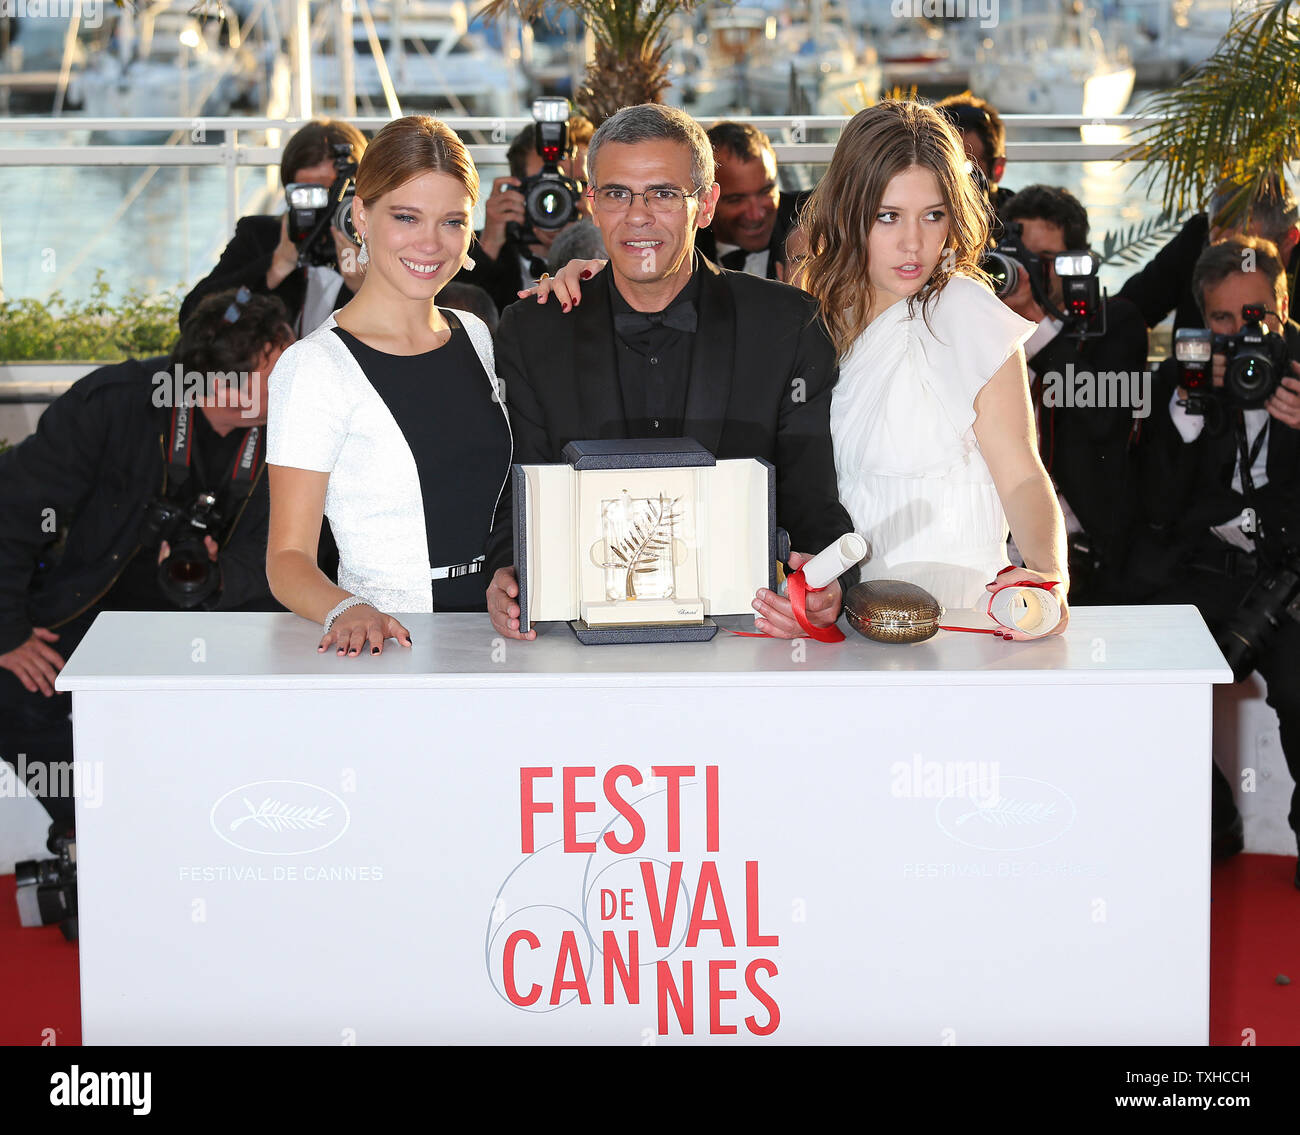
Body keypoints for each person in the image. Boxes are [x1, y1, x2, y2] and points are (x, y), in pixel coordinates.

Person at [485, 103, 855, 642]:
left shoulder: (787, 325)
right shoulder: (533, 331)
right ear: (591, 204)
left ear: (705, 204)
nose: (637, 216)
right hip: (575, 638)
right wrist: (505, 575)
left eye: (662, 193)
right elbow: (521, 488)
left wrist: (826, 584)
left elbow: (809, 494)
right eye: (616, 194)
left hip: (740, 631)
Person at [0, 289, 294, 826]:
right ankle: (92, 837)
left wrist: (221, 575)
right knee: (18, 698)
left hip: (228, 618)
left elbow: (297, 552)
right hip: (91, 609)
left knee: (262, 725)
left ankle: (200, 836)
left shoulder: (301, 423)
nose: (297, 377)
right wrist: (7, 632)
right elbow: (15, 509)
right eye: (276, 372)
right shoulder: (117, 403)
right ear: (222, 387)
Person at [802, 101, 1068, 628]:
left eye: (933, 215)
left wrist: (1048, 579)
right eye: (888, 215)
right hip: (842, 619)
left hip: (960, 618)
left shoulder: (964, 313)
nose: (913, 243)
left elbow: (1021, 476)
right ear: (848, 211)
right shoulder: (814, 317)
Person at [267, 115, 510, 657]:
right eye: (406, 217)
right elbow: (287, 559)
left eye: (452, 221)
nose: (431, 243)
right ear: (361, 215)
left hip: (504, 636)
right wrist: (344, 608)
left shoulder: (474, 335)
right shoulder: (312, 368)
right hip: (394, 642)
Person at [1132, 236, 1300, 884]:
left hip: (1290, 576)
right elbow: (1156, 504)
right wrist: (1187, 415)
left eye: (1254, 315)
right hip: (1204, 571)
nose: (1238, 334)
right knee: (1148, 677)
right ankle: (1214, 816)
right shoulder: (1185, 373)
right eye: (1223, 320)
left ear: (1282, 304)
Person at [997, 185, 1150, 602]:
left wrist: (1034, 322)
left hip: (1084, 549)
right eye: (1021, 256)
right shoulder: (980, 323)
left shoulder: (1116, 323)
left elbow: (1103, 417)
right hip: (990, 542)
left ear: (1074, 264)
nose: (1029, 271)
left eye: (1044, 261)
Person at [181, 119, 369, 335]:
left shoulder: (381, 247)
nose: (324, 207)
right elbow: (191, 320)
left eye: (335, 193)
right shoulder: (261, 237)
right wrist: (276, 267)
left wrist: (364, 288)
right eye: (307, 194)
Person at [1118, 175, 1300, 331]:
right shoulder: (1196, 239)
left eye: (1247, 254)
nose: (1229, 260)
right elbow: (1128, 308)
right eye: (1218, 248)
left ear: (1290, 239)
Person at [457, 115, 594, 312]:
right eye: (544, 185)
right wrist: (489, 246)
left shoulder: (612, 254)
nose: (558, 197)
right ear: (516, 189)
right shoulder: (468, 251)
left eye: (576, 184)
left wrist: (593, 242)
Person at [695, 120, 806, 279]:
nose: (757, 215)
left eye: (766, 191)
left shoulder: (809, 221)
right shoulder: (683, 242)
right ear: (706, 200)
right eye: (736, 200)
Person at [936, 93, 1013, 214]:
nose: (953, 182)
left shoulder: (1024, 223)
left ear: (998, 169)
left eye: (967, 169)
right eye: (941, 167)